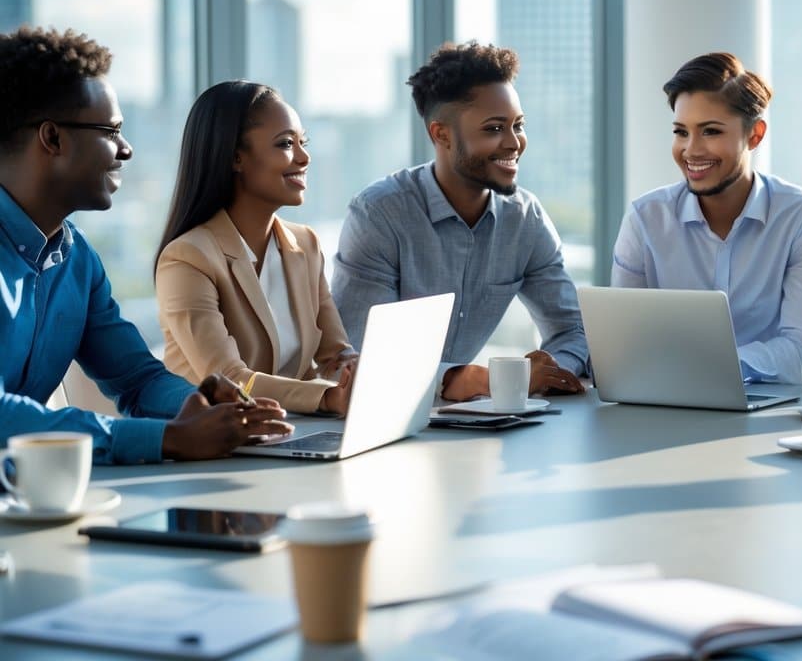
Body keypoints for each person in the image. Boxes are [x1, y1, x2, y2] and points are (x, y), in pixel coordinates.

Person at [0, 26, 290, 464]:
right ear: (53, 139)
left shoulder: (77, 261)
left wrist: (199, 404)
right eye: (111, 130)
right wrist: (167, 439)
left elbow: (137, 378)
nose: (126, 150)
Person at [331, 41, 588, 402]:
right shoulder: (380, 214)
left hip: (469, 423)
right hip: (375, 420)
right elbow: (355, 356)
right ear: (442, 134)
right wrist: (477, 380)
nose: (514, 142)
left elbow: (573, 328)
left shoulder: (525, 218)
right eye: (494, 128)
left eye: (518, 125)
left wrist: (552, 369)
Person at [611, 52, 802, 384]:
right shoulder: (645, 219)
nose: (691, 150)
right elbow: (621, 345)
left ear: (755, 135)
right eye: (681, 132)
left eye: (711, 131)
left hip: (767, 413)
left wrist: (714, 368)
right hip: (665, 408)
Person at [155, 81, 358, 416]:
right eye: (286, 144)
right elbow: (229, 380)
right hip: (214, 443)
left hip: (294, 436)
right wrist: (325, 398)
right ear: (236, 157)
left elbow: (334, 356)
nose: (304, 157)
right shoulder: (188, 258)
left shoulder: (305, 245)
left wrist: (358, 373)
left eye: (302, 143)